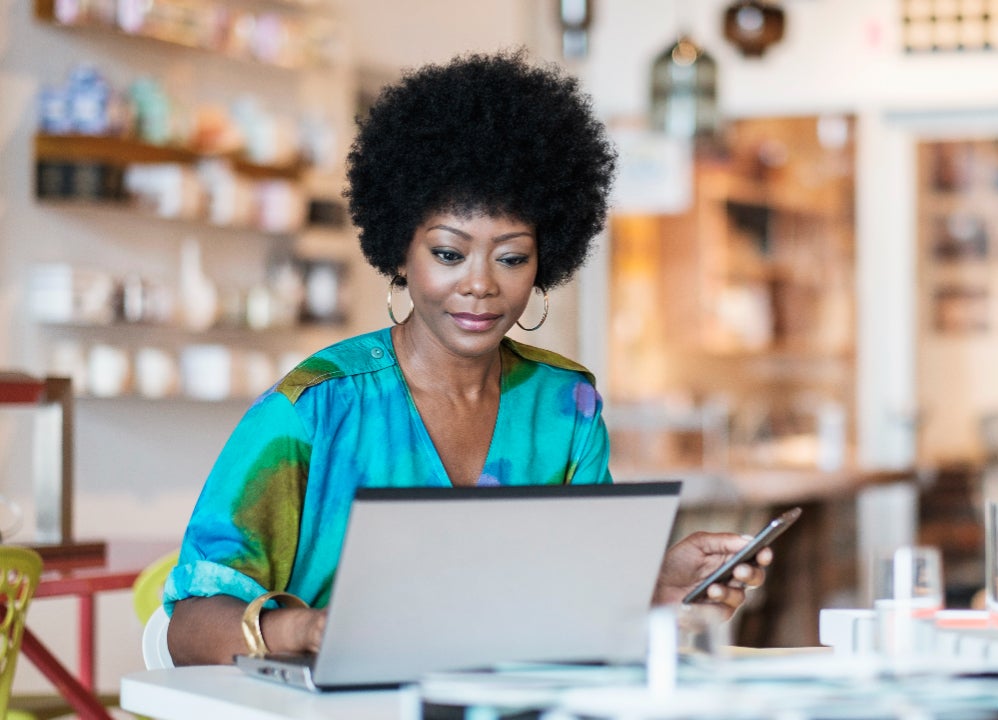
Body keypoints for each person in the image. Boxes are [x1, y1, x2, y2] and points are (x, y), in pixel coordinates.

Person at [164, 50, 771, 666]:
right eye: (449, 254)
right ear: (400, 252)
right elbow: (188, 630)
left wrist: (657, 589)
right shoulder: (315, 407)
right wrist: (304, 629)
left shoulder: (566, 408)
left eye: (510, 258)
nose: (480, 285)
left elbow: (567, 610)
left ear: (544, 262)